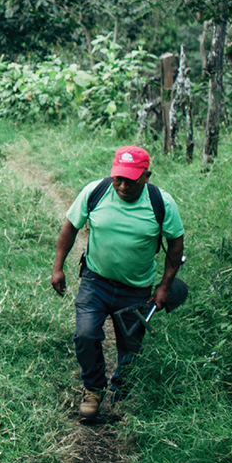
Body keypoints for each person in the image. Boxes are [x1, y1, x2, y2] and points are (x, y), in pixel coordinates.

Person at [51, 145, 187, 419]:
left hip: (136, 289)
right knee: (86, 334)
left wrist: (164, 286)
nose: (122, 186)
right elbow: (70, 226)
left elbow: (176, 244)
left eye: (131, 180)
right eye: (118, 178)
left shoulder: (162, 203)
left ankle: (122, 394)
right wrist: (58, 268)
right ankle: (93, 388)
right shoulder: (96, 192)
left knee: (130, 346)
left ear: (146, 176)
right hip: (95, 280)